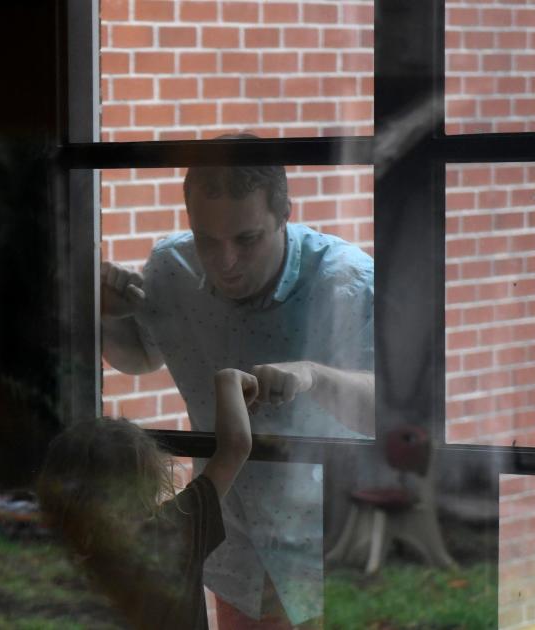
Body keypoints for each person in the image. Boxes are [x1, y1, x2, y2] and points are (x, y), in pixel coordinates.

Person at [101, 136, 375, 628]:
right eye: (207, 239)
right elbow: (140, 355)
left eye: (246, 240)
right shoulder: (172, 267)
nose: (225, 259)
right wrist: (102, 316)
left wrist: (314, 375)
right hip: (233, 546)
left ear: (285, 212)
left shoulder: (346, 281)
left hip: (331, 554)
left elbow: (395, 410)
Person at [37, 368, 259, 630]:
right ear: (147, 486)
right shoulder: (174, 532)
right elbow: (235, 447)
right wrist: (230, 380)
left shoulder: (53, 576)